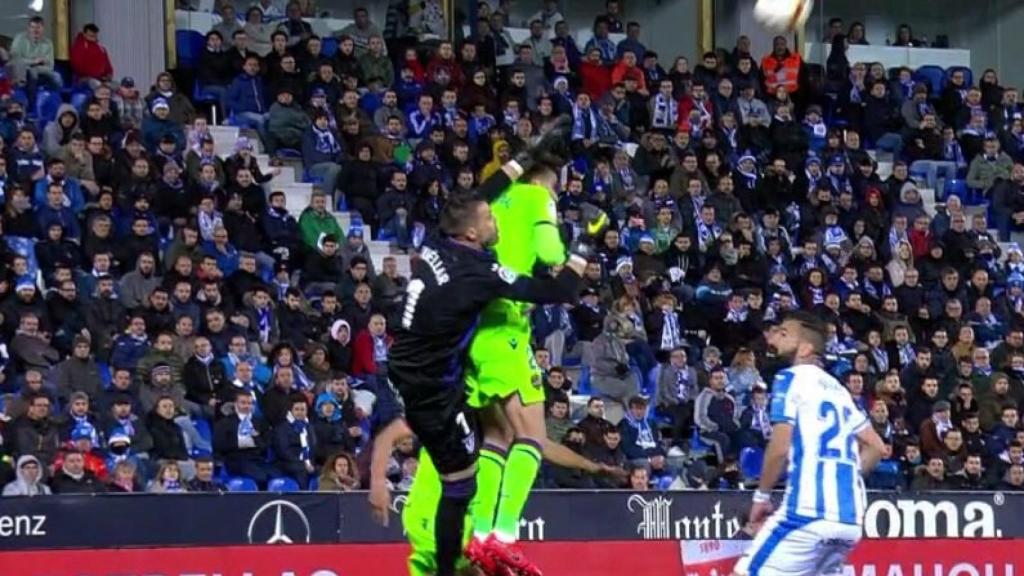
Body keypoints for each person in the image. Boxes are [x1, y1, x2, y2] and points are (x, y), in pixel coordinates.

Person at [731, 311, 885, 576]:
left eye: (784, 332)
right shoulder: (839, 390)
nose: (776, 336)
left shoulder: (790, 379)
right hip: (848, 521)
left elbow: (779, 448)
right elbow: (877, 447)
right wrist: (841, 478)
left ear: (805, 348)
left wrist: (762, 496)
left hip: (806, 513)